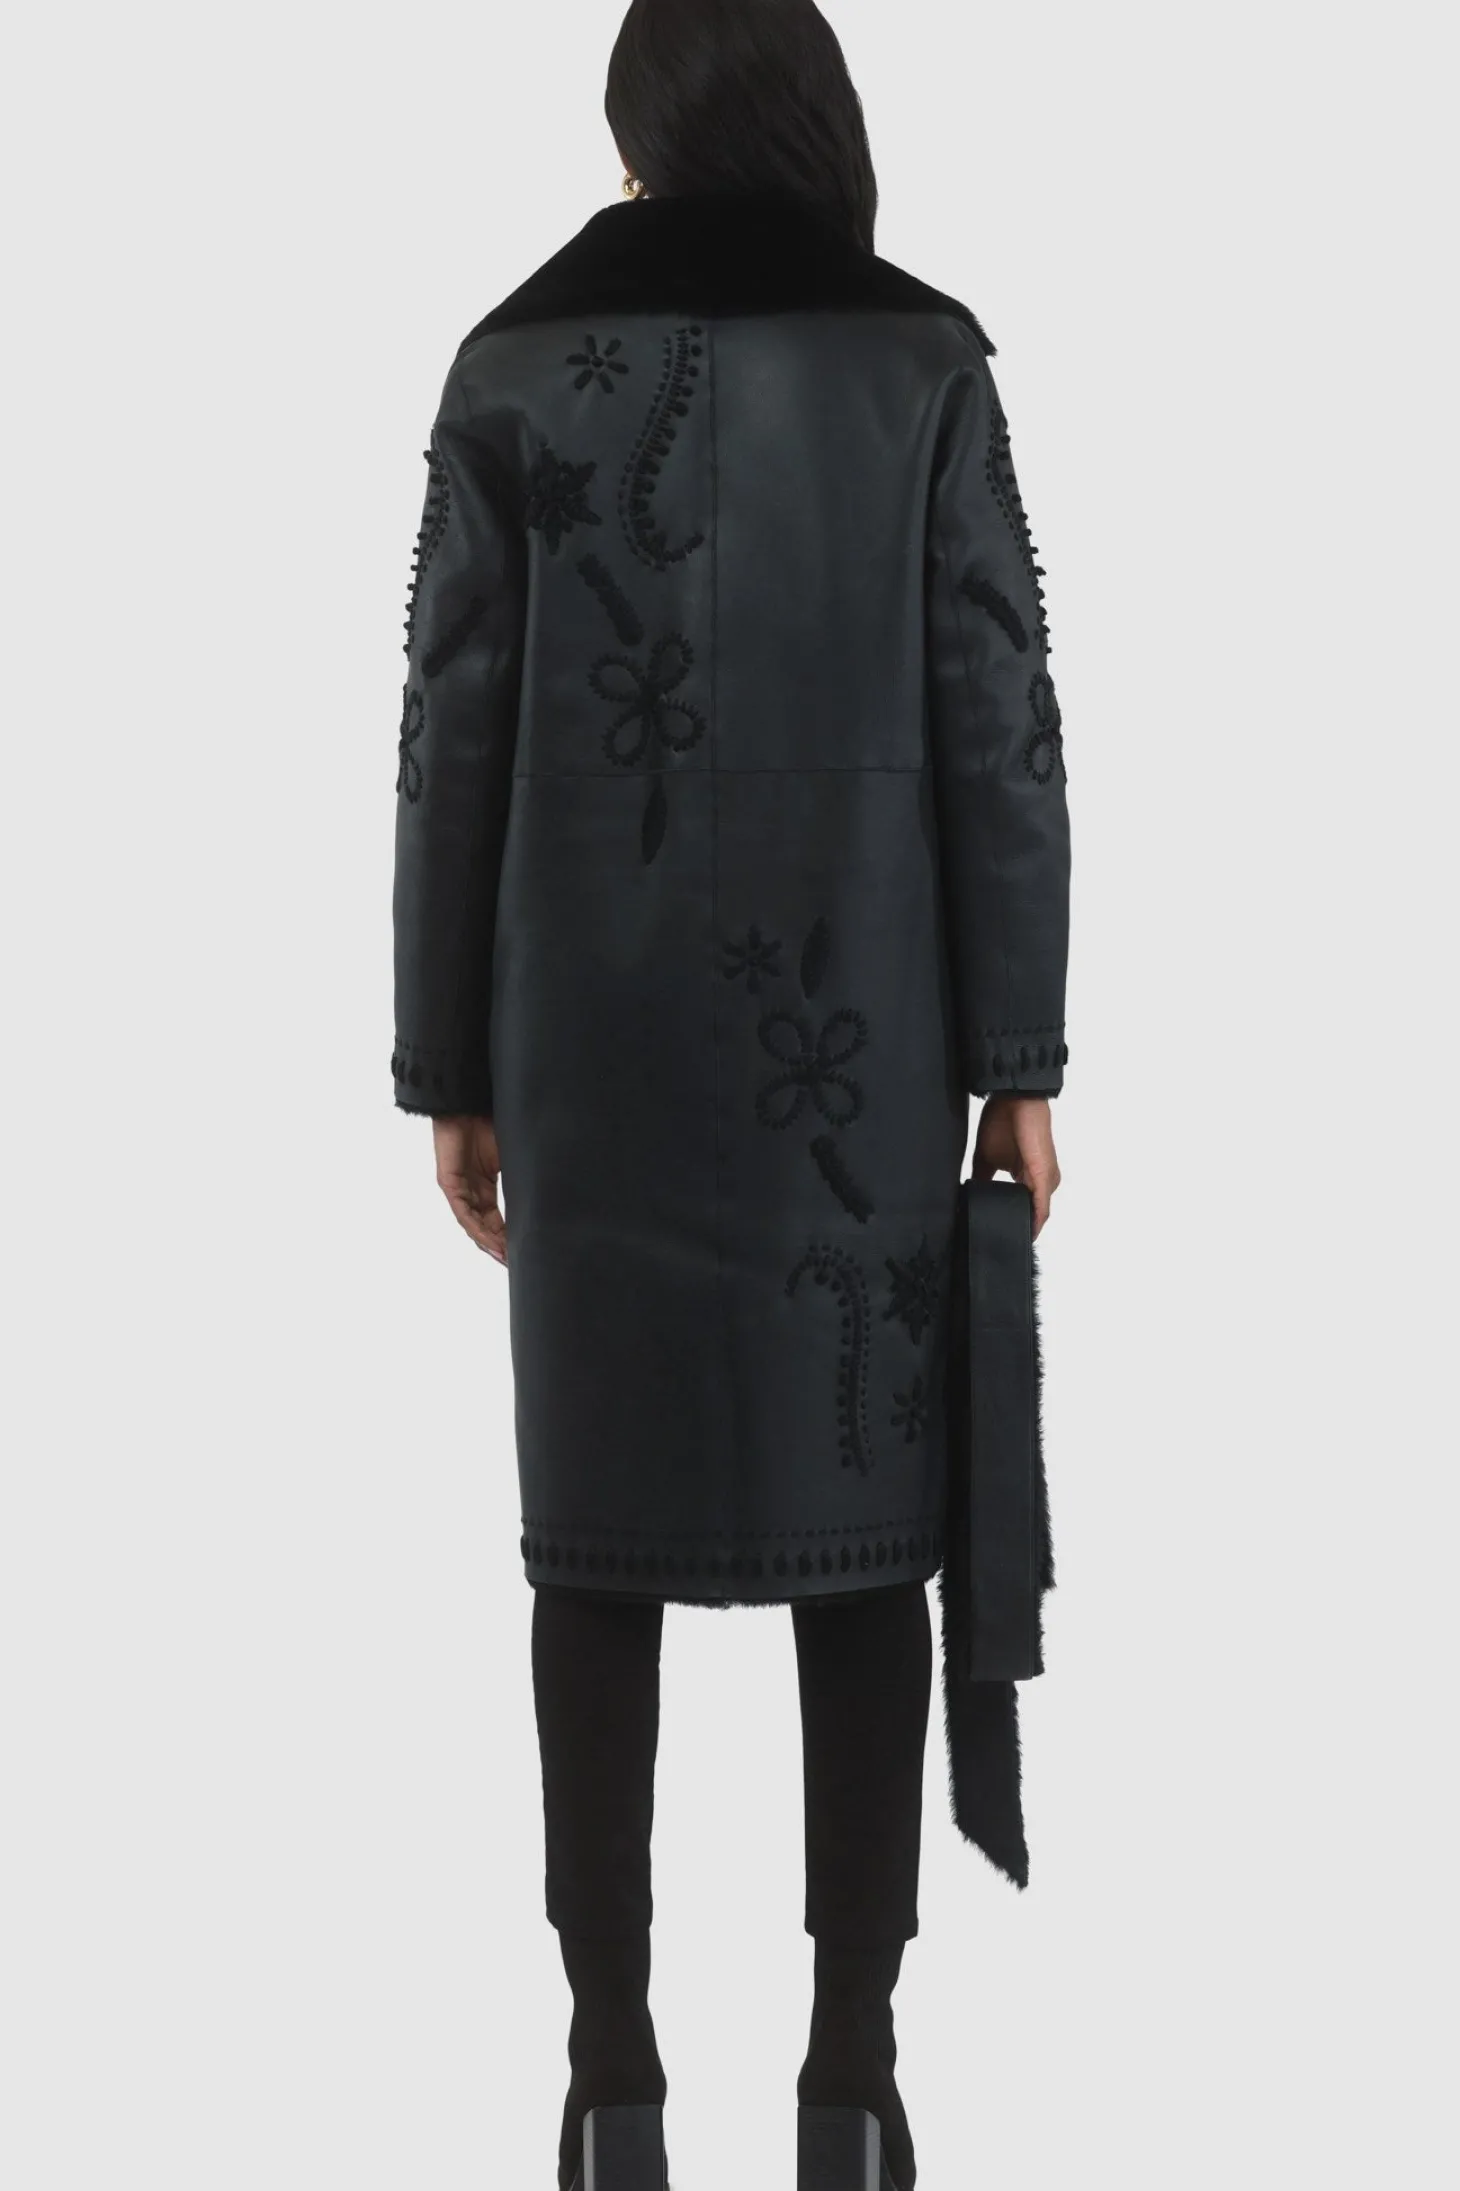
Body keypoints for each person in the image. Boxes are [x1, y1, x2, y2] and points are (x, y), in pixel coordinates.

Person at [390, 2, 1069, 2183]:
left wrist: (446, 1061)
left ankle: (608, 2075)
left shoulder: (508, 364)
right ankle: (852, 2077)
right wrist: (1018, 1059)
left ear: (644, 132)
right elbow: (999, 722)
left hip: (579, 1036)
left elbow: (451, 736)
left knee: (593, 1548)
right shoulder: (923, 362)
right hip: (860, 1031)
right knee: (870, 1543)